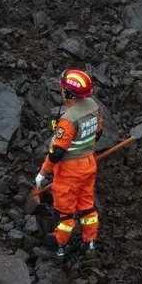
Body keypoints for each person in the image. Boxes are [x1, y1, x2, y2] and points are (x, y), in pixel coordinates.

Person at [35, 69, 104, 256]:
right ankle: (90, 243)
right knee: (87, 206)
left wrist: (42, 173)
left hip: (69, 171)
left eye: (63, 89)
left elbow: (57, 152)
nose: (62, 91)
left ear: (70, 93)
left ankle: (58, 247)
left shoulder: (68, 120)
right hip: (88, 164)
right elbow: (98, 132)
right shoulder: (94, 106)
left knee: (65, 213)